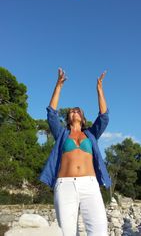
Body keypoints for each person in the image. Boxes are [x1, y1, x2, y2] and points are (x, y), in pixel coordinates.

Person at [39, 68, 112, 236]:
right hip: (65, 186)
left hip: (90, 185)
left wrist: (99, 90)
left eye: (78, 110)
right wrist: (58, 86)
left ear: (83, 118)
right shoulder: (62, 134)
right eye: (72, 110)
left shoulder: (91, 134)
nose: (75, 111)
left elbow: (104, 117)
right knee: (66, 232)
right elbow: (51, 114)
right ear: (68, 116)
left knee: (99, 231)